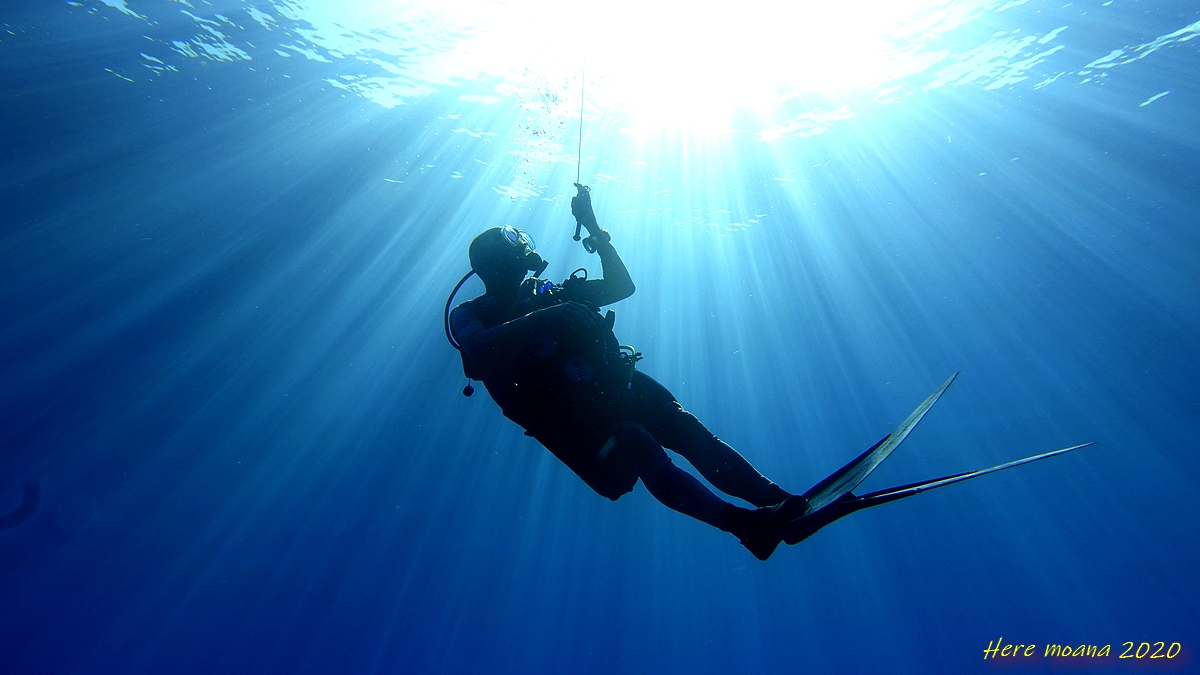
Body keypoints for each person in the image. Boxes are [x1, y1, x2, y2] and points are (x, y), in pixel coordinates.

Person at [447, 185, 805, 560]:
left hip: (616, 385)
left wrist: (593, 227)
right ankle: (747, 526)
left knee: (683, 426)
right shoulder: (471, 313)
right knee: (635, 439)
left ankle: (775, 499)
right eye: (514, 243)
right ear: (498, 260)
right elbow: (476, 345)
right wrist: (546, 316)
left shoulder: (550, 294)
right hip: (577, 425)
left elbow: (622, 286)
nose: (524, 248)